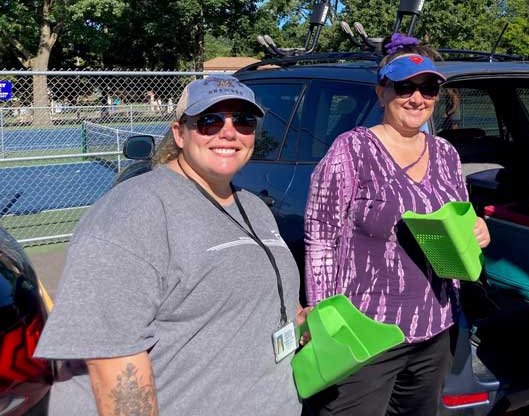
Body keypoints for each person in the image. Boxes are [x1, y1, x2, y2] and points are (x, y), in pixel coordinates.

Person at [35, 74, 306, 415]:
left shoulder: (253, 206)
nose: (228, 131)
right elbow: (114, 362)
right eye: (209, 120)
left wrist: (300, 320)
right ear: (179, 134)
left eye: (243, 120)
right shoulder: (133, 212)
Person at [303, 33, 491, 416]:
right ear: (381, 92)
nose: (417, 98)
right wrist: (325, 319)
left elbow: (460, 218)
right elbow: (320, 238)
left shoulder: (445, 154)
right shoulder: (352, 150)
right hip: (364, 331)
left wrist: (478, 234)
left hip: (435, 327)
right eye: (405, 86)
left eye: (428, 88)